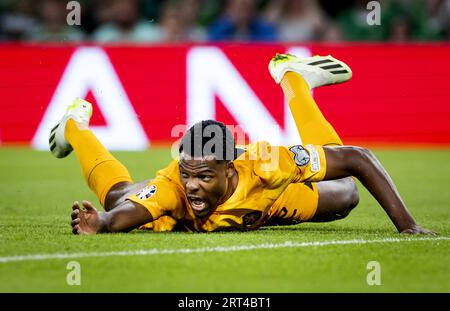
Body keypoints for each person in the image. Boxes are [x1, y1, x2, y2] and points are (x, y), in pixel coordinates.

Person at [48, 53, 435, 235]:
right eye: (187, 174)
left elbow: (357, 158)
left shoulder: (269, 165)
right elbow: (116, 219)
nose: (192, 185)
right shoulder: (173, 189)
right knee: (116, 198)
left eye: (201, 175)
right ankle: (76, 127)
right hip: (191, 211)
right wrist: (99, 224)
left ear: (229, 169)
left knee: (347, 194)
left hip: (271, 203)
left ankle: (293, 79)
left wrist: (408, 227)